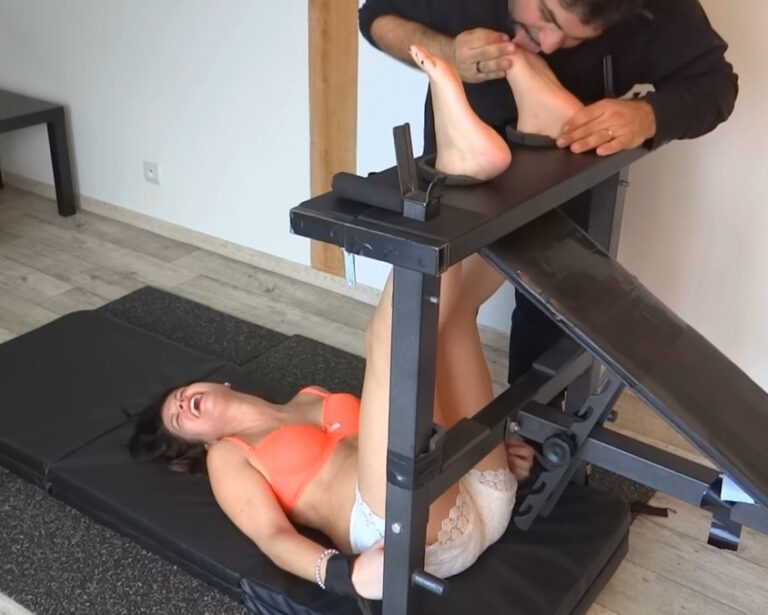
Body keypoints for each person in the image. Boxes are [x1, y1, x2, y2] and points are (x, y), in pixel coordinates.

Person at [130, 55, 532, 599]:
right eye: (179, 419)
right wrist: (344, 575)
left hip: (477, 493)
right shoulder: (228, 456)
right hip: (408, 537)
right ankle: (457, 180)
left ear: (218, 381)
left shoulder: (309, 396)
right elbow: (273, 538)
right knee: (390, 343)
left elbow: (413, 427)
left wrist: (486, 446)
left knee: (449, 318)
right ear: (197, 444)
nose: (182, 404)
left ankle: (504, 176)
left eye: (179, 396)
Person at [358, 0, 738, 408]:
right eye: (546, 16)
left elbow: (715, 84)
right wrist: (448, 52)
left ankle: (525, 432)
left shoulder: (657, 9)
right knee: (434, 318)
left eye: (574, 37)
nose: (551, 44)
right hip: (460, 180)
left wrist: (647, 116)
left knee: (545, 318)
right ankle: (470, 444)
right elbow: (377, 16)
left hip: (567, 174)